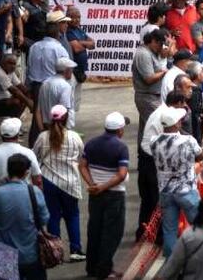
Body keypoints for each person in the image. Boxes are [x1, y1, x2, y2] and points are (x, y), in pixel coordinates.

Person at [32, 104, 85, 262]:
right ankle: (75, 250)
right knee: (72, 215)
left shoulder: (43, 137)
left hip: (49, 182)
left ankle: (56, 253)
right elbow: (82, 156)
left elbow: (34, 156)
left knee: (53, 217)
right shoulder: (74, 137)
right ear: (66, 118)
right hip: (70, 183)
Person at [80, 112, 130, 279]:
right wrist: (103, 187)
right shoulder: (121, 147)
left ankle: (91, 267)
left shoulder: (91, 143)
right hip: (114, 196)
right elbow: (121, 174)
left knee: (95, 229)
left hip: (95, 195)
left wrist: (92, 184)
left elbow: (82, 166)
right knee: (112, 233)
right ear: (120, 130)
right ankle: (104, 270)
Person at [0, 153, 51, 280]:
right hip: (31, 255)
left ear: (8, 170)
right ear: (26, 173)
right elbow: (44, 219)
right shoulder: (34, 192)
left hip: (5, 255)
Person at [151, 106, 202, 257]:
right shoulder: (188, 140)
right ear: (177, 124)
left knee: (169, 230)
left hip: (165, 191)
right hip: (186, 190)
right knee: (200, 226)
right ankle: (199, 256)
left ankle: (171, 262)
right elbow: (199, 156)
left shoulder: (154, 142)